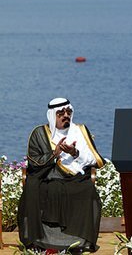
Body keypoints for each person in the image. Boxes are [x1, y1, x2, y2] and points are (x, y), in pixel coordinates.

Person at [17, 98, 105, 252]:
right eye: (61, 113)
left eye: (68, 112)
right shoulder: (39, 133)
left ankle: (79, 242)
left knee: (86, 190)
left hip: (75, 179)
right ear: (53, 115)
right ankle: (42, 242)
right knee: (46, 189)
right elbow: (33, 162)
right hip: (47, 177)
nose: (66, 115)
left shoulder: (80, 131)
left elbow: (94, 160)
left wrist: (74, 152)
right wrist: (54, 154)